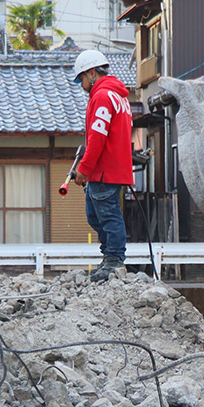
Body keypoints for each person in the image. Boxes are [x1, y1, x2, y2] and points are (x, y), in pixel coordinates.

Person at [71, 49, 134, 283]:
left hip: (105, 170)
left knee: (108, 216)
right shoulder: (119, 96)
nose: (81, 85)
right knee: (96, 215)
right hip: (112, 168)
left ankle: (115, 259)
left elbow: (97, 136)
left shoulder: (102, 96)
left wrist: (84, 169)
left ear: (91, 73)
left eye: (81, 79)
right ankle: (110, 256)